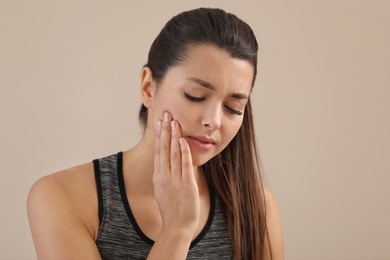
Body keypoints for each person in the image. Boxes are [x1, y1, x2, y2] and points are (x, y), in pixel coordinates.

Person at [27, 7, 284, 260]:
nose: (213, 121)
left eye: (233, 108)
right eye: (195, 96)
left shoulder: (256, 207)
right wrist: (177, 230)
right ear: (149, 87)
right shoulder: (62, 196)